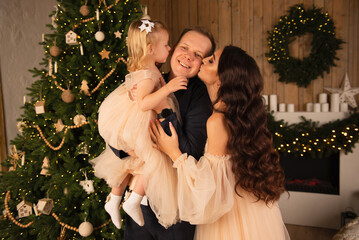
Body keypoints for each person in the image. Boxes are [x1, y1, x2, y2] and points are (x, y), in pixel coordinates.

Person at [149, 46, 291, 240]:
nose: (204, 60)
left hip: (229, 219)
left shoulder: (217, 121)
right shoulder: (238, 116)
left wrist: (174, 153)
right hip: (252, 211)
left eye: (211, 60)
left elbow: (209, 191)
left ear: (223, 79)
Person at [90, 18, 187, 229]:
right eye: (166, 44)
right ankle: (133, 200)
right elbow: (144, 103)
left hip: (136, 120)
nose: (170, 48)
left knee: (131, 163)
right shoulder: (148, 76)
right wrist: (168, 88)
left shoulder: (148, 70)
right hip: (139, 122)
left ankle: (115, 200)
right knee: (152, 159)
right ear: (150, 49)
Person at [124, 27, 216, 240]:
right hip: (139, 202)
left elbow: (191, 152)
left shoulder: (200, 98)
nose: (188, 56)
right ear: (173, 49)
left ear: (202, 63)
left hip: (175, 209)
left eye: (198, 55)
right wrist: (125, 148)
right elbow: (121, 124)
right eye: (184, 47)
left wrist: (163, 109)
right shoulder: (151, 80)